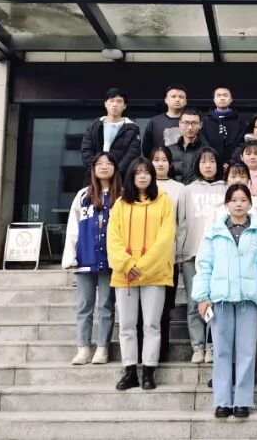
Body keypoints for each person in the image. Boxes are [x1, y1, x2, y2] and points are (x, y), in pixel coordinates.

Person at [193, 183, 257, 419]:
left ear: (250, 204)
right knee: (221, 350)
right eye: (234, 200)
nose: (238, 204)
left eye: (243, 200)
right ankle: (222, 401)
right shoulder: (213, 231)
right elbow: (205, 265)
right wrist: (202, 297)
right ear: (226, 204)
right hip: (220, 299)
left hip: (248, 300)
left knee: (246, 351)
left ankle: (242, 400)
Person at [107, 158, 176, 391]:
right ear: (131, 176)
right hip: (125, 274)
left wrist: (142, 265)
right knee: (126, 325)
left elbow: (165, 238)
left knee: (152, 324)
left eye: (147, 172)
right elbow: (113, 239)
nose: (143, 176)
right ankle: (130, 371)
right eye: (138, 172)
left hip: (154, 273)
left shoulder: (164, 200)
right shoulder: (120, 204)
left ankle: (148, 371)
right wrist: (128, 264)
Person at [61, 152, 119, 366]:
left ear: (115, 168)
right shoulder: (83, 195)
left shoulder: (121, 195)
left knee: (106, 305)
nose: (104, 166)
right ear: (93, 168)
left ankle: (103, 348)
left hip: (110, 260)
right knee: (85, 305)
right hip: (86, 257)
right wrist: (70, 255)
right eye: (99, 163)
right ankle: (83, 347)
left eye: (108, 163)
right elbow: (73, 226)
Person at [175, 148, 226, 364]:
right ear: (197, 164)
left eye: (212, 161)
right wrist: (180, 253)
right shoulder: (187, 191)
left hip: (220, 255)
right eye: (203, 161)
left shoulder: (226, 188)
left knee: (215, 302)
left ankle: (212, 345)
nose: (208, 165)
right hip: (193, 255)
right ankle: (198, 346)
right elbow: (181, 223)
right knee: (194, 302)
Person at [149, 146, 185, 364]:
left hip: (168, 257)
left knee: (164, 307)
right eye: (156, 159)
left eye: (164, 160)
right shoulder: (142, 185)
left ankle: (161, 349)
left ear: (170, 164)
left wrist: (178, 254)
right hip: (143, 256)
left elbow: (182, 224)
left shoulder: (180, 189)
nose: (160, 164)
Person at [81, 88, 141, 177]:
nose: (115, 104)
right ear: (105, 103)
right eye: (111, 101)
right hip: (94, 177)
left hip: (120, 178)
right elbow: (86, 151)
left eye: (119, 101)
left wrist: (115, 172)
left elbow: (133, 153)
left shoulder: (132, 128)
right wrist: (97, 169)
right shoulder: (94, 126)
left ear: (124, 106)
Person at [221, 161, 257, 232]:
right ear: (226, 180)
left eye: (242, 177)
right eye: (233, 177)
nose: (238, 180)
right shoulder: (218, 204)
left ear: (248, 180)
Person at [169, 107, 215, 184]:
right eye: (186, 123)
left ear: (200, 125)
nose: (190, 127)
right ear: (180, 124)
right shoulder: (170, 150)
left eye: (194, 123)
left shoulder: (207, 151)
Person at [141, 84, 188, 157]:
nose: (177, 99)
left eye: (181, 97)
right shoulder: (155, 122)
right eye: (173, 96)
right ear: (166, 100)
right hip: (161, 162)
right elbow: (146, 149)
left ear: (185, 101)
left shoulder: (192, 121)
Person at [201, 86, 245, 159]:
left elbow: (241, 143)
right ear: (214, 100)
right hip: (211, 160)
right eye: (218, 95)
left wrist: (232, 161)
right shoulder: (205, 121)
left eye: (225, 95)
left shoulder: (240, 121)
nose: (222, 98)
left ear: (231, 99)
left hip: (234, 162)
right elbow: (204, 142)